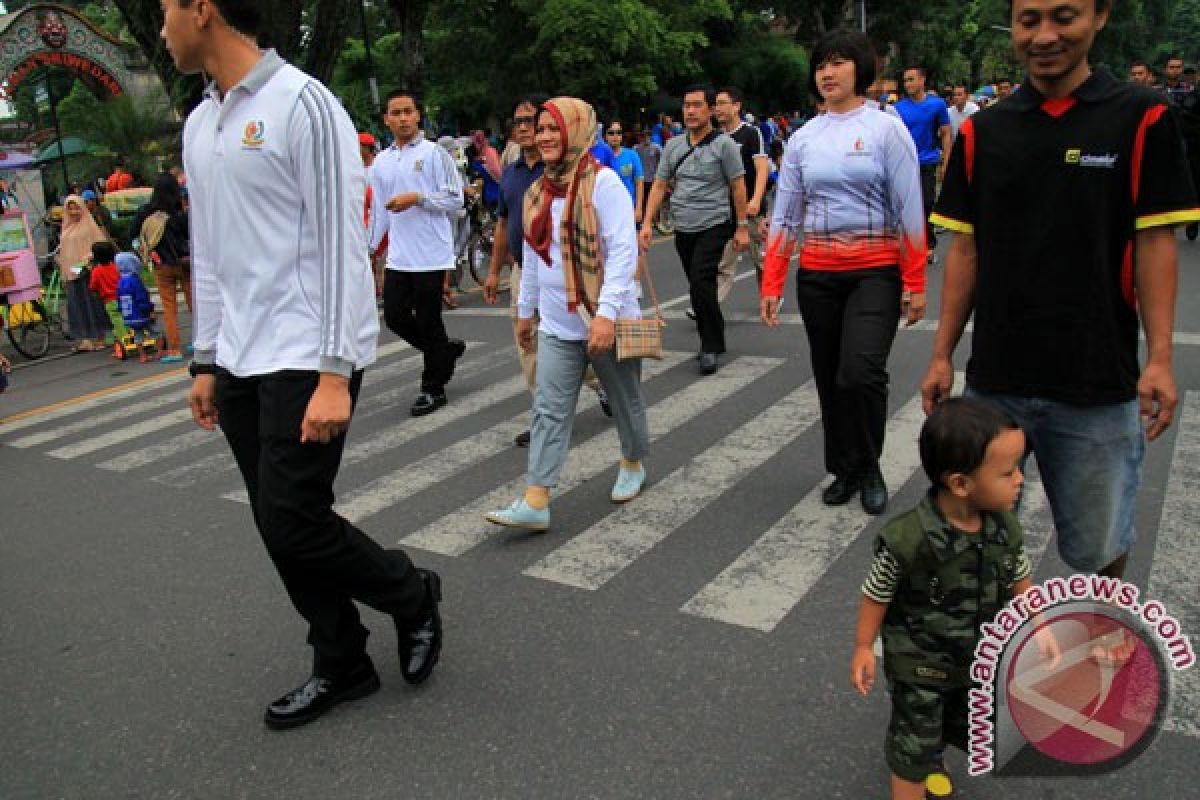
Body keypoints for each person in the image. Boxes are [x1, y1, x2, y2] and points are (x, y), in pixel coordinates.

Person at [165, 0, 443, 730]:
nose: (162, 25)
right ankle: (342, 659)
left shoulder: (304, 104)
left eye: (166, 8)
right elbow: (214, 254)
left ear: (203, 9)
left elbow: (341, 248)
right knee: (273, 519)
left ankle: (411, 593)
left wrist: (331, 372)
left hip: (307, 350)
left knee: (293, 521)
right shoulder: (201, 124)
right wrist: (204, 358)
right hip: (239, 358)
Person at [922, 0, 1200, 582]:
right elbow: (966, 252)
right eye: (1029, 22)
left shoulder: (1141, 117)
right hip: (997, 381)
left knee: (1102, 545)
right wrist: (943, 354)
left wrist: (1161, 359)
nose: (1044, 36)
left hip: (1098, 383)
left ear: (1099, 17)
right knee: (977, 535)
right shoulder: (983, 130)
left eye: (1063, 18)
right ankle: (998, 653)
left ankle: (1100, 634)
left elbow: (1155, 245)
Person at [850, 397, 1061, 800]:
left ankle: (936, 756)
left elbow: (1019, 576)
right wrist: (863, 646)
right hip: (920, 667)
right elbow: (876, 592)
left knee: (956, 722)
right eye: (1007, 472)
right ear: (960, 483)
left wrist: (1041, 624)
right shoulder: (907, 539)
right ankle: (921, 766)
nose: (1020, 480)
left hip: (976, 662)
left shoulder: (1004, 528)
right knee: (912, 748)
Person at [760, 29, 927, 516]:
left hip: (875, 272)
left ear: (861, 69)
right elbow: (787, 213)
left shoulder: (885, 128)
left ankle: (870, 464)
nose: (827, 73)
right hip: (817, 275)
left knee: (860, 372)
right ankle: (844, 468)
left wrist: (914, 281)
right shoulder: (803, 139)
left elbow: (909, 205)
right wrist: (772, 281)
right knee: (830, 377)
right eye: (820, 65)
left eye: (837, 63)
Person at [484, 97, 649, 530]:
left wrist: (607, 315)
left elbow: (622, 254)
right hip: (558, 323)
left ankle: (633, 462)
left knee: (623, 398)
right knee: (549, 408)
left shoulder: (605, 184)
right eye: (541, 129)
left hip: (604, 318)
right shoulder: (539, 189)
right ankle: (537, 499)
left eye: (554, 128)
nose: (544, 136)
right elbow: (535, 258)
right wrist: (525, 312)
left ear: (576, 131)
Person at [483, 94, 612, 447]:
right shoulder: (510, 173)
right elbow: (505, 225)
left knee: (576, 345)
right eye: (522, 123)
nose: (529, 130)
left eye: (537, 123)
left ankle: (605, 386)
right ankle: (547, 414)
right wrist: (494, 271)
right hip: (527, 272)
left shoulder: (572, 169)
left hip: (571, 275)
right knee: (530, 348)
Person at [368, 88, 467, 416]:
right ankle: (443, 352)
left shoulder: (435, 154)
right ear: (386, 119)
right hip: (399, 256)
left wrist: (418, 199)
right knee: (395, 317)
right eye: (395, 113)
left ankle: (433, 387)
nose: (402, 118)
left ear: (418, 115)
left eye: (408, 111)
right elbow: (381, 213)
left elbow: (456, 200)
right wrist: (368, 248)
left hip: (431, 254)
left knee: (428, 319)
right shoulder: (381, 162)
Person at [640, 85, 749, 375]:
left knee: (702, 282)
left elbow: (738, 186)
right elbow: (660, 185)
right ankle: (712, 331)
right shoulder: (674, 146)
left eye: (697, 105)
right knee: (698, 287)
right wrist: (647, 223)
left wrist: (741, 227)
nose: (690, 111)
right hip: (683, 227)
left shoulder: (724, 145)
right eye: (687, 105)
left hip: (714, 223)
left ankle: (710, 346)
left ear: (711, 110)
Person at [714, 86, 769, 302]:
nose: (717, 109)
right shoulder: (716, 137)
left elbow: (762, 168)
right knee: (724, 260)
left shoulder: (750, 133)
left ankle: (768, 296)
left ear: (736, 106)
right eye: (715, 104)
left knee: (761, 260)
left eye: (722, 103)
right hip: (725, 211)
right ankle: (710, 305)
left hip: (751, 210)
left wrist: (755, 199)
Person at [130, 173, 191, 362]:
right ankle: (203, 341)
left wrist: (146, 251)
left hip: (161, 263)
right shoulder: (179, 211)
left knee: (169, 307)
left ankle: (174, 349)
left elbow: (133, 236)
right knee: (194, 303)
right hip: (185, 261)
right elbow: (190, 234)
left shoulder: (145, 212)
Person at [895, 66, 952, 263]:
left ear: (922, 80)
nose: (908, 84)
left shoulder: (937, 105)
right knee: (904, 206)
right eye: (905, 80)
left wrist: (946, 160)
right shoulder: (899, 108)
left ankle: (928, 244)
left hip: (927, 161)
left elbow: (945, 133)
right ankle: (908, 244)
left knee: (927, 203)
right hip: (904, 165)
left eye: (911, 79)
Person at [58, 194, 111, 353]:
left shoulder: (89, 225)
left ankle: (100, 337)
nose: (73, 212)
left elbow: (100, 245)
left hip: (87, 271)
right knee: (77, 306)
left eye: (76, 208)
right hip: (72, 273)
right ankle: (86, 339)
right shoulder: (66, 228)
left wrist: (88, 260)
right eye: (70, 208)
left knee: (92, 304)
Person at [116, 251, 157, 362]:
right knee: (156, 332)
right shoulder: (135, 281)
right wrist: (150, 309)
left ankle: (142, 356)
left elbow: (119, 299)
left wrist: (121, 311)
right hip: (142, 314)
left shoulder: (120, 282)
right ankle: (160, 351)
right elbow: (141, 298)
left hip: (129, 316)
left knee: (138, 335)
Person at [86, 240, 127, 353]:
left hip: (109, 300)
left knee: (117, 321)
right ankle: (135, 335)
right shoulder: (116, 267)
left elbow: (93, 286)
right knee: (127, 316)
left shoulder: (96, 271)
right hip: (123, 296)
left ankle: (124, 340)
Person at [605, 119, 644, 219]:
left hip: (629, 208)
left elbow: (639, 182)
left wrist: (639, 208)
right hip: (606, 210)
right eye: (611, 133)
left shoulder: (632, 155)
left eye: (618, 132)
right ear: (605, 136)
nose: (615, 136)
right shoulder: (600, 157)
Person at [633, 130, 662, 214]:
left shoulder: (657, 148)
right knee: (642, 200)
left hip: (653, 179)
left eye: (648, 135)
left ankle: (655, 220)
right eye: (644, 136)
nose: (646, 138)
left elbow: (661, 161)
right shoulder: (636, 148)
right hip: (641, 179)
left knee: (653, 200)